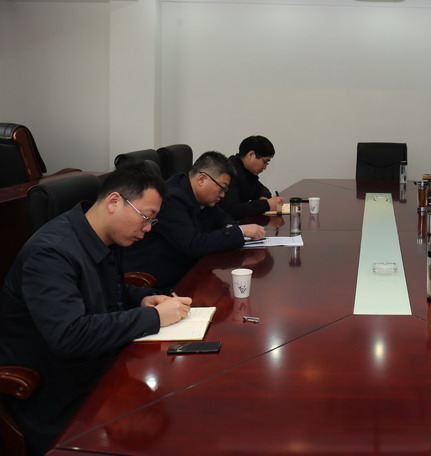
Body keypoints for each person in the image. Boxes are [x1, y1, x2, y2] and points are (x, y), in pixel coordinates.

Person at [0, 164, 193, 454]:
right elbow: (69, 336)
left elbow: (107, 290)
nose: (148, 229)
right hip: (57, 392)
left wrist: (144, 299)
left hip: (98, 366)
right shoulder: (51, 254)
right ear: (114, 201)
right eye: (146, 217)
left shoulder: (102, 236)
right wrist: (152, 317)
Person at [124, 151, 265, 289]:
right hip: (159, 281)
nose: (222, 195)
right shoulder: (171, 198)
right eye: (221, 188)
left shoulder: (202, 198)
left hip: (189, 270)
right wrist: (239, 231)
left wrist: (232, 229)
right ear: (202, 179)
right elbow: (193, 245)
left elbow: (224, 218)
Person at [219, 135, 285, 219]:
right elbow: (232, 210)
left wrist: (263, 198)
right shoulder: (229, 172)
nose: (265, 167)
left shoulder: (245, 171)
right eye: (264, 162)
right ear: (251, 155)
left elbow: (262, 189)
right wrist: (266, 204)